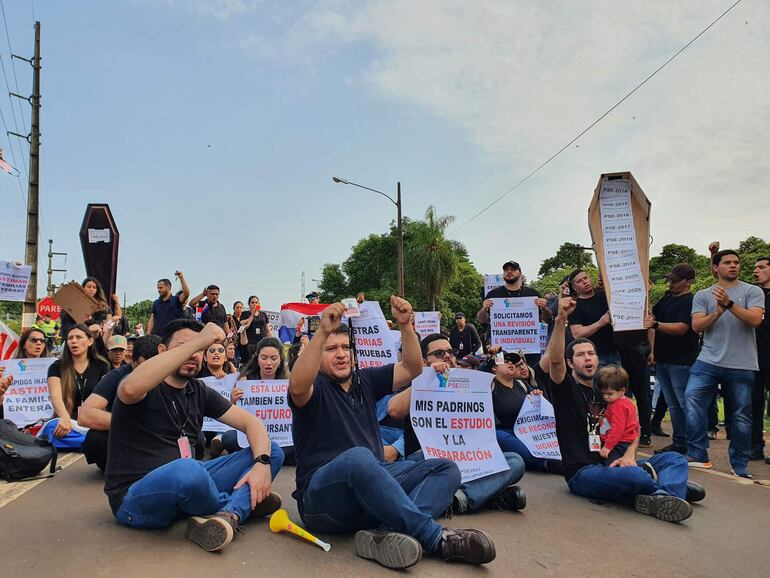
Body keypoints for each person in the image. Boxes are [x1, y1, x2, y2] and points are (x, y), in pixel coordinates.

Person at [289, 298, 495, 569]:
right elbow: (297, 385)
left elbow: (410, 368)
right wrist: (323, 332)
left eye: (345, 347)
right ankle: (435, 538)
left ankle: (386, 532)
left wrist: (406, 326)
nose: (340, 354)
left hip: (370, 492)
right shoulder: (314, 388)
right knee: (359, 458)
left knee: (446, 468)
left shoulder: (365, 380)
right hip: (322, 503)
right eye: (331, 349)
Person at [104, 319, 284, 552]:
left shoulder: (198, 391)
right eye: (184, 346)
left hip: (190, 483)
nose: (194, 354)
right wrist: (200, 340)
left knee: (271, 450)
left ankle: (229, 514)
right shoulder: (144, 384)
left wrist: (260, 465)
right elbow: (129, 389)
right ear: (162, 351)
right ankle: (241, 503)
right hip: (134, 496)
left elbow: (251, 424)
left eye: (200, 350)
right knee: (187, 469)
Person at [539, 295, 702, 523]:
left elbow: (632, 429)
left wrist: (629, 454)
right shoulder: (566, 388)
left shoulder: (609, 390)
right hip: (585, 472)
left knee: (675, 459)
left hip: (619, 461)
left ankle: (663, 495)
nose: (588, 358)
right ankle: (669, 487)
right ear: (570, 363)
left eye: (591, 354)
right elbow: (554, 361)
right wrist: (561, 319)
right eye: (580, 355)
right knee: (634, 476)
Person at [388, 334, 527, 515]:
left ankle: (457, 498)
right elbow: (395, 410)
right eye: (439, 353)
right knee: (442, 466)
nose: (447, 356)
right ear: (423, 361)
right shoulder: (417, 384)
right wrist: (427, 378)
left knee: (515, 461)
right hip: (428, 458)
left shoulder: (469, 386)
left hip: (467, 458)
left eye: (450, 352)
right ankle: (487, 495)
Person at [685, 250, 765, 478]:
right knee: (692, 399)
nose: (733, 266)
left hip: (742, 362)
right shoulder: (703, 295)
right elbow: (697, 326)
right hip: (708, 359)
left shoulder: (752, 291)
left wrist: (728, 304)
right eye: (727, 263)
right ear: (716, 267)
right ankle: (698, 454)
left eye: (736, 263)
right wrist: (718, 312)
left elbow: (755, 319)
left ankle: (739, 462)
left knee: (741, 414)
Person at [79, 335, 162, 470]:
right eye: (144, 367)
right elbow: (85, 415)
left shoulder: (173, 374)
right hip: (127, 436)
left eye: (155, 367)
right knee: (96, 439)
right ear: (132, 362)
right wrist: (139, 426)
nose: (150, 374)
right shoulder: (116, 376)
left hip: (161, 438)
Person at [645, 264, 700, 455]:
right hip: (663, 359)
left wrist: (656, 324)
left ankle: (694, 445)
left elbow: (682, 328)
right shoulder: (668, 298)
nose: (671, 283)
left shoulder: (690, 301)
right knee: (673, 405)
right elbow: (651, 316)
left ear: (688, 282)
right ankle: (680, 442)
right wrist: (647, 295)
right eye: (670, 279)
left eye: (676, 281)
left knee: (684, 404)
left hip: (682, 360)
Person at [211, 337, 289, 458]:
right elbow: (235, 415)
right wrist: (233, 401)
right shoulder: (245, 380)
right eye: (264, 358)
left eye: (273, 358)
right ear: (257, 359)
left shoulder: (287, 382)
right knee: (228, 438)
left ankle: (257, 454)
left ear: (280, 360)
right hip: (251, 434)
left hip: (278, 435)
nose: (268, 363)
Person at [493, 351, 561, 473]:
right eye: (505, 361)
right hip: (505, 432)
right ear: (494, 368)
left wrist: (537, 397)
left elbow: (537, 410)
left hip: (528, 431)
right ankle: (546, 464)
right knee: (500, 437)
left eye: (512, 362)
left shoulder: (522, 385)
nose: (510, 363)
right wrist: (494, 353)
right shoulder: (490, 387)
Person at [46, 323, 111, 439]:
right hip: (66, 422)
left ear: (90, 341)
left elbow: (106, 396)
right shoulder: (56, 367)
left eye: (79, 337)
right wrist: (64, 417)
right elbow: (55, 395)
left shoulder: (102, 365)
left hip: (93, 422)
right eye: (70, 338)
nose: (73, 341)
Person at [476, 260, 552, 340]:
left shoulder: (533, 294)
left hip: (528, 344)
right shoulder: (493, 295)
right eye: (506, 270)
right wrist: (483, 310)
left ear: (520, 273)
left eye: (513, 269)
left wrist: (544, 309)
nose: (509, 271)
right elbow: (482, 321)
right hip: (500, 346)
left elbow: (547, 320)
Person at [566, 269, 618, 366]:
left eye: (585, 278)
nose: (584, 282)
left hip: (615, 351)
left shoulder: (605, 296)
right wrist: (599, 323)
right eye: (579, 281)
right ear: (574, 287)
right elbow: (577, 333)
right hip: (595, 356)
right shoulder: (575, 306)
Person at [596, 366, 641, 465]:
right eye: (603, 394)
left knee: (612, 465)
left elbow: (618, 428)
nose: (605, 397)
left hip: (619, 442)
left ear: (622, 390)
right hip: (622, 441)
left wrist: (608, 446)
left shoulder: (618, 406)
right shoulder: (626, 402)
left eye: (609, 394)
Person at [752, 256, 770, 462]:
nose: (757, 270)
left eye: (762, 267)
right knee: (754, 403)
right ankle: (755, 446)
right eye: (755, 267)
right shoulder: (752, 294)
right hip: (754, 356)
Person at [147, 272, 190, 337]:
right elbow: (152, 319)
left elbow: (186, 293)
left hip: (173, 338)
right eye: (158, 288)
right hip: (158, 338)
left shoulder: (176, 300)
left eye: (161, 288)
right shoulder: (156, 303)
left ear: (168, 287)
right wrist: (148, 334)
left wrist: (181, 278)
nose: (158, 290)